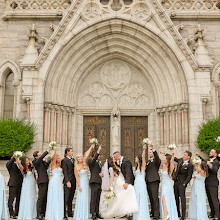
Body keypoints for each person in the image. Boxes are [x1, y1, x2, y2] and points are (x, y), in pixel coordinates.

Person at [197, 149, 220, 220]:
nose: (210, 153)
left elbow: (215, 170)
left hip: (213, 183)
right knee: (209, 199)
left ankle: (217, 215)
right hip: (207, 182)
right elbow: (204, 161)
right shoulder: (209, 159)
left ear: (216, 154)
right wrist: (199, 157)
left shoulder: (216, 161)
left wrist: (210, 165)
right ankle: (212, 213)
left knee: (214, 199)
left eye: (212, 152)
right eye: (210, 152)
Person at [73, 145, 94, 220]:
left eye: (81, 157)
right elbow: (77, 177)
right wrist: (79, 186)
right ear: (77, 159)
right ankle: (81, 213)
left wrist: (91, 147)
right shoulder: (76, 167)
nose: (80, 158)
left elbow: (87, 154)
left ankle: (87, 213)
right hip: (81, 183)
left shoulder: (84, 163)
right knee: (82, 197)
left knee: (87, 197)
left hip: (86, 182)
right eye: (78, 157)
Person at [173, 151, 193, 220]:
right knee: (175, 197)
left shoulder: (190, 165)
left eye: (185, 155)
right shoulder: (180, 160)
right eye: (183, 154)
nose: (183, 156)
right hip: (176, 182)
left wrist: (185, 183)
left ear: (188, 157)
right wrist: (166, 153)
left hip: (182, 183)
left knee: (182, 199)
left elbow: (189, 176)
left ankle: (183, 215)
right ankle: (177, 213)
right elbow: (174, 158)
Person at [33, 149, 52, 220]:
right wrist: (47, 151)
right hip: (41, 181)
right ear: (36, 156)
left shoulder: (41, 161)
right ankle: (38, 214)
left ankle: (43, 213)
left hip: (46, 180)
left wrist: (50, 160)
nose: (41, 156)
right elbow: (40, 159)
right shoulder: (35, 161)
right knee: (41, 198)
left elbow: (46, 166)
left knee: (45, 197)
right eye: (40, 155)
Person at [45, 149, 64, 220]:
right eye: (58, 158)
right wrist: (55, 150)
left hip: (59, 182)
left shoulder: (60, 165)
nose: (59, 159)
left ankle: (58, 213)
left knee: (58, 197)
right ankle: (53, 214)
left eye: (59, 158)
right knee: (54, 197)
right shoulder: (53, 164)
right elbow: (53, 159)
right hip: (54, 182)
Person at [133, 145, 150, 220]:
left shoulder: (143, 166)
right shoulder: (136, 166)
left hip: (141, 183)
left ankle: (142, 215)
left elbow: (143, 158)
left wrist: (144, 149)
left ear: (138, 159)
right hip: (136, 183)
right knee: (137, 197)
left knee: (142, 197)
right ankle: (137, 215)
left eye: (136, 158)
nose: (135, 158)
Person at [160, 150, 178, 220]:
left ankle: (166, 214)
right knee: (163, 199)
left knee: (164, 198)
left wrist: (173, 154)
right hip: (163, 185)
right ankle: (166, 213)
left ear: (168, 160)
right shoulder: (163, 166)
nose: (164, 160)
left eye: (165, 159)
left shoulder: (170, 167)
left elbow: (172, 161)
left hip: (167, 185)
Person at [145, 144, 161, 220]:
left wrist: (153, 149)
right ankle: (153, 212)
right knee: (151, 197)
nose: (149, 154)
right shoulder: (148, 161)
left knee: (155, 198)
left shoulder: (156, 161)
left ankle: (157, 215)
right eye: (149, 153)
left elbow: (157, 157)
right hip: (148, 181)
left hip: (154, 180)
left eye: (150, 152)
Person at [88, 145, 103, 220]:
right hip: (94, 182)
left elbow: (98, 171)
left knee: (98, 198)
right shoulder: (91, 162)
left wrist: (101, 174)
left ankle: (97, 213)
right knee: (93, 199)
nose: (99, 156)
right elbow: (93, 160)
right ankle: (92, 214)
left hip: (99, 182)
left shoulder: (99, 163)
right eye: (98, 155)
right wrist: (98, 150)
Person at [6, 152, 23, 219]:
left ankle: (17, 212)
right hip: (13, 184)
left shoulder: (19, 164)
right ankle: (11, 213)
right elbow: (9, 164)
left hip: (20, 184)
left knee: (18, 199)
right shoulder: (9, 164)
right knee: (11, 199)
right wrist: (14, 157)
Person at [61, 147, 76, 219]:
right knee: (66, 198)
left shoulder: (73, 160)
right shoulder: (64, 160)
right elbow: (65, 171)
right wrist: (67, 181)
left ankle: (70, 212)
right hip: (68, 181)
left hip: (74, 181)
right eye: (71, 151)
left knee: (71, 197)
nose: (72, 152)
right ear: (67, 152)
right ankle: (63, 214)